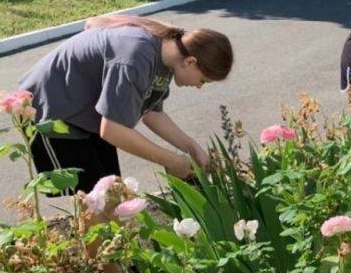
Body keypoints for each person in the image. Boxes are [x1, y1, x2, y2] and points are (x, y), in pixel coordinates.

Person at [18, 15, 233, 192]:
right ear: (190, 62)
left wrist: (192, 149)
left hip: (88, 115)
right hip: (51, 112)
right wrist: (173, 161)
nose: (199, 87)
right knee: (95, 202)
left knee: (111, 196)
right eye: (203, 80)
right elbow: (112, 130)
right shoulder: (136, 57)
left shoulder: (166, 60)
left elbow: (151, 112)